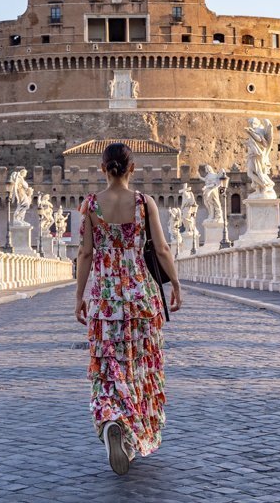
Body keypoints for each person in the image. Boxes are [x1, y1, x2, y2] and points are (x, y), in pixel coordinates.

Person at [75, 142, 182, 475]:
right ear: (132, 168)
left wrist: (80, 296)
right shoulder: (144, 203)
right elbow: (162, 249)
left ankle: (111, 421)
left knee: (109, 365)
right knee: (138, 366)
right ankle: (131, 434)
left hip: (106, 298)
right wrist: (176, 284)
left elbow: (85, 254)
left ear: (103, 168)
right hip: (140, 296)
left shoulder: (90, 205)